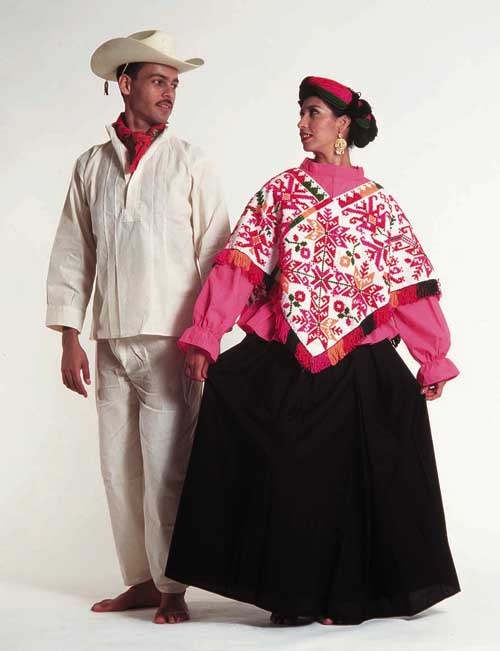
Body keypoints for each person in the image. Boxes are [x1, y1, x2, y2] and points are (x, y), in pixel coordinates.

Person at [165, 75, 460, 625]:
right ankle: (294, 593)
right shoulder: (279, 191)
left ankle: (349, 596)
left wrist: (432, 356)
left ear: (343, 125)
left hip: (362, 359)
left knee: (355, 473)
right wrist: (207, 334)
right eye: (300, 113)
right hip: (291, 354)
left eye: (314, 113)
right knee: (298, 473)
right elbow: (242, 264)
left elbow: (407, 282)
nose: (303, 124)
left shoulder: (380, 206)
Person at [45, 30, 230, 624]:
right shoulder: (92, 165)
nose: (169, 93)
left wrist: (205, 335)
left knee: (167, 466)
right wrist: (70, 334)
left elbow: (217, 256)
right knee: (117, 466)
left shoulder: (190, 160)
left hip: (172, 340)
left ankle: (174, 585)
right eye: (158, 81)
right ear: (125, 84)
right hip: (110, 337)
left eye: (174, 84)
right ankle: (143, 581)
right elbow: (75, 251)